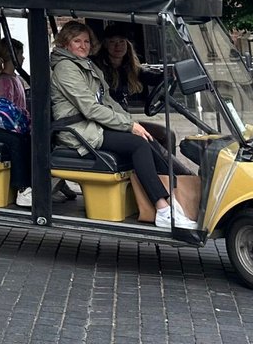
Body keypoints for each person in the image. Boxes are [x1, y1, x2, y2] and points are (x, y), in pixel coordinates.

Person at [49, 20, 200, 230]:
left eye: (86, 41)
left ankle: (180, 192)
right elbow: (91, 108)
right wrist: (129, 126)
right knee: (138, 144)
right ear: (66, 44)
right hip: (79, 131)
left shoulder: (86, 65)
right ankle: (163, 208)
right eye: (77, 41)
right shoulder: (66, 68)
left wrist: (132, 123)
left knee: (146, 137)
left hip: (93, 125)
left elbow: (108, 101)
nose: (83, 45)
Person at [0, 38, 35, 207]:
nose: (23, 58)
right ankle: (22, 188)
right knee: (17, 141)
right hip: (5, 126)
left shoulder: (16, 78)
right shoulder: (4, 81)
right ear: (13, 56)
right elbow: (4, 111)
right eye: (21, 54)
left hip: (18, 123)